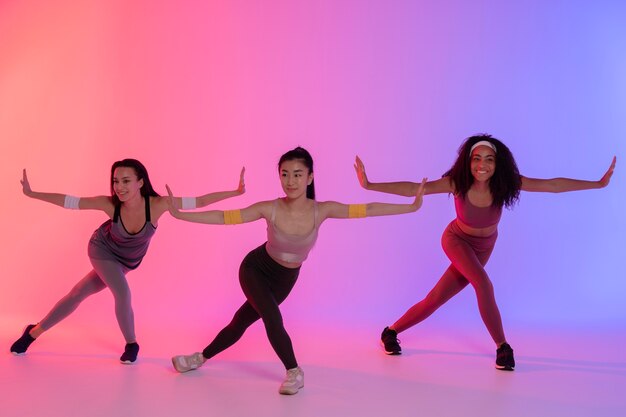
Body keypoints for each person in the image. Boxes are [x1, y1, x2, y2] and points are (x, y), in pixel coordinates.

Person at [166, 146, 426, 395]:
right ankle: (294, 370)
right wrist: (181, 215)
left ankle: (199, 357)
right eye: (285, 174)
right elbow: (225, 217)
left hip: (285, 279)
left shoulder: (322, 210)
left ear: (310, 177)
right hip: (255, 268)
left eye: (298, 174)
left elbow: (368, 210)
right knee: (271, 317)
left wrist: (411, 207)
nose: (290, 181)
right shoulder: (270, 207)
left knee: (240, 322)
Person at [355, 134, 616, 371]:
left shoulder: (507, 183)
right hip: (456, 240)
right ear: (468, 162)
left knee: (435, 298)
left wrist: (598, 183)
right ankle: (503, 348)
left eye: (489, 159)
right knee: (483, 283)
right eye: (477, 159)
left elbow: (553, 185)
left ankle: (390, 331)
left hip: (484, 247)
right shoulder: (457, 183)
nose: (483, 165)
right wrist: (370, 184)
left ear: (497, 163)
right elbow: (414, 188)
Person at [10, 159, 245, 364]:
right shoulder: (110, 205)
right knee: (122, 293)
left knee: (77, 294)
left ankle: (33, 332)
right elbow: (71, 201)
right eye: (115, 181)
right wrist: (33, 193)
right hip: (101, 250)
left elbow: (200, 202)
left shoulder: (158, 204)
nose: (119, 187)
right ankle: (132, 344)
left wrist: (234, 193)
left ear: (140, 182)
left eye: (125, 181)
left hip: (126, 262)